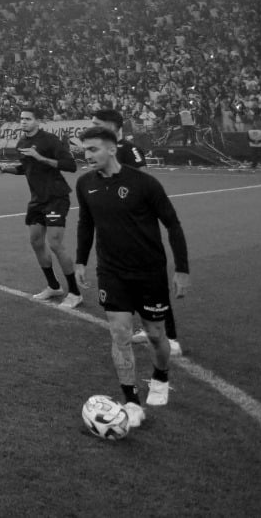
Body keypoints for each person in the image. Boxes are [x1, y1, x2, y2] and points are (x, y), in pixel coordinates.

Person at [73, 127, 190, 428]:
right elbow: (86, 224)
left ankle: (161, 376)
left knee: (155, 335)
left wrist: (181, 269)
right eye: (85, 150)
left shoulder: (144, 184)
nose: (88, 155)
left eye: (94, 149)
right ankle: (131, 402)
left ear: (112, 149)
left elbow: (173, 224)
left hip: (149, 272)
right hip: (112, 272)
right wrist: (80, 261)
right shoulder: (85, 184)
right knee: (119, 333)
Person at [94, 109, 180, 353]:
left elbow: (142, 182)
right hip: (117, 228)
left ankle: (171, 337)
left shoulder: (127, 148)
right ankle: (145, 328)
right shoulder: (104, 151)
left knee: (153, 284)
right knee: (129, 283)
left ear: (112, 125)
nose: (93, 127)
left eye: (97, 123)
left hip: (138, 228)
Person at [0, 107, 81, 308]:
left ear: (37, 121)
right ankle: (53, 286)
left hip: (56, 196)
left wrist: (40, 157)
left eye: (28, 119)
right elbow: (27, 168)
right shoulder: (22, 143)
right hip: (37, 200)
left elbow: (70, 165)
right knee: (35, 241)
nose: (23, 122)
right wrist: (6, 169)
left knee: (56, 244)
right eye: (21, 119)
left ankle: (75, 293)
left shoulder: (50, 140)